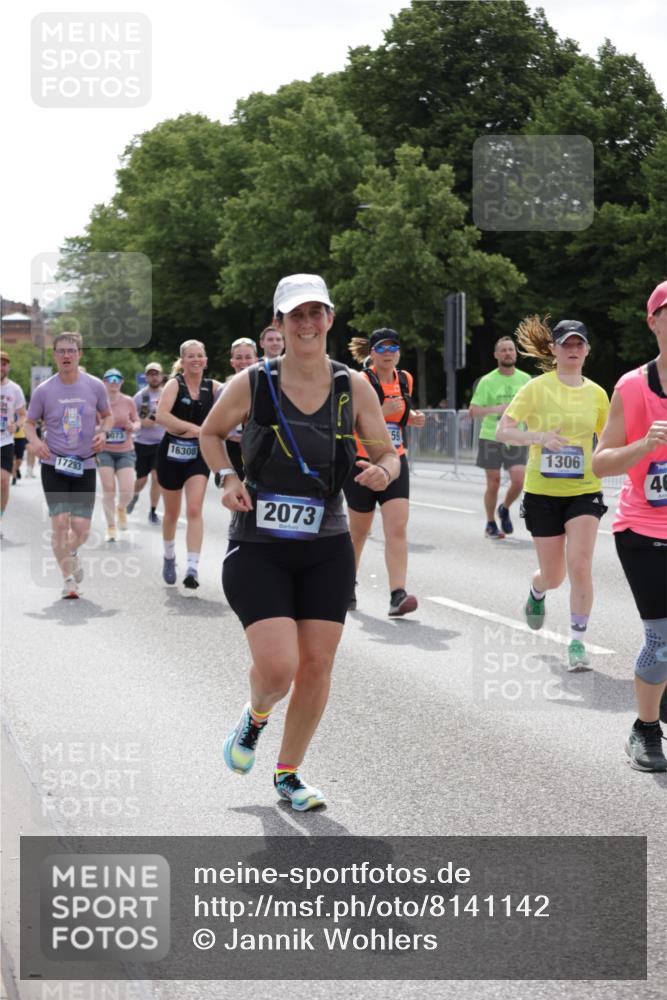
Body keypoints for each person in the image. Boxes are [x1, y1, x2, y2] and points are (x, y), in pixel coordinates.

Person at [200, 273, 398, 810]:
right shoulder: (254, 383)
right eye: (295, 315)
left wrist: (383, 469)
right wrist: (227, 478)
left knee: (317, 665)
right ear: (279, 324)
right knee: (279, 667)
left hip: (325, 546)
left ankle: (288, 775)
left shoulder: (352, 386)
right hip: (258, 546)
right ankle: (255, 715)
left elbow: (386, 451)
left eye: (316, 313)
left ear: (330, 319)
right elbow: (210, 434)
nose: (307, 323)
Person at [496, 317, 610, 670]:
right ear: (554, 350)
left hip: (584, 490)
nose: (573, 350)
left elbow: (609, 441)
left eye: (579, 344)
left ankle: (577, 643)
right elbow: (504, 431)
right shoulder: (535, 389)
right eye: (567, 344)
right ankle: (538, 590)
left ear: (587, 350)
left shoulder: (597, 394)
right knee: (554, 575)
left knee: (580, 565)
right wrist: (539, 438)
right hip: (543, 491)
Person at [592, 280, 667, 772]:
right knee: (661, 641)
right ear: (653, 321)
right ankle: (644, 729)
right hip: (643, 532)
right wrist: (642, 447)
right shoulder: (633, 386)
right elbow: (600, 463)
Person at [343, 328, 425, 615]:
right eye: (381, 348)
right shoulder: (361, 380)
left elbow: (398, 416)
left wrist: (410, 417)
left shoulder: (405, 379)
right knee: (359, 531)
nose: (388, 353)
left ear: (399, 352)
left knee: (397, 528)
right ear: (372, 353)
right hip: (362, 462)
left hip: (395, 461)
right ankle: (346, 586)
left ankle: (397, 594)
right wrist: (382, 408)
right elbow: (349, 419)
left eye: (393, 348)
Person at [24, 332, 112, 598]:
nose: (66, 356)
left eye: (71, 351)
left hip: (84, 464)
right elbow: (28, 423)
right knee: (60, 524)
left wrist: (104, 433)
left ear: (79, 354)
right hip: (54, 464)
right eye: (61, 351)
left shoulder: (95, 386)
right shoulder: (44, 390)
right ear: (54, 355)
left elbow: (107, 416)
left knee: (82, 530)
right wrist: (36, 442)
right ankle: (68, 580)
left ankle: (72, 552)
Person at [155, 340, 223, 589]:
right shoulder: (175, 384)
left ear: (206, 360)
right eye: (190, 356)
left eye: (200, 356)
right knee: (172, 513)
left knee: (194, 509)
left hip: (198, 456)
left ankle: (192, 568)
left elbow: (234, 405)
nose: (196, 360)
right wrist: (194, 429)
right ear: (182, 361)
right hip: (171, 454)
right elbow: (161, 416)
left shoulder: (214, 387)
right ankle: (169, 556)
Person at [469, 336, 532, 538]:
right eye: (503, 350)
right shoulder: (487, 381)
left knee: (519, 480)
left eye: (511, 350)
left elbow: (533, 409)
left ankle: (504, 508)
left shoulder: (525, 380)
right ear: (496, 355)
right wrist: (498, 408)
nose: (508, 353)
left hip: (516, 436)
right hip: (491, 436)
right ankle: (490, 523)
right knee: (494, 482)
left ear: (516, 353)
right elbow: (473, 410)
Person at [96, 369, 140, 543]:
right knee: (108, 489)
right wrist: (100, 430)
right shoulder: (98, 402)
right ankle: (111, 527)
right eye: (109, 379)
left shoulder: (128, 401)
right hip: (104, 450)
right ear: (104, 382)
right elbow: (89, 424)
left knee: (128, 490)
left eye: (117, 379)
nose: (113, 381)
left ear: (121, 382)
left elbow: (137, 421)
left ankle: (121, 508)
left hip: (125, 451)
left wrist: (134, 427)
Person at [127, 362, 165, 524]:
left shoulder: (167, 394)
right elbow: (133, 418)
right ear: (146, 377)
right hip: (142, 442)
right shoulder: (141, 396)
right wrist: (142, 421)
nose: (154, 377)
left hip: (162, 443)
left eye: (156, 374)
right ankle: (134, 496)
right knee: (141, 479)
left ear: (162, 376)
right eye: (150, 374)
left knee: (157, 478)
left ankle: (153, 511)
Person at [224, 338, 259, 480]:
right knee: (237, 498)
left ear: (256, 360)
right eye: (238, 357)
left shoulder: (265, 386)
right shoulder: (223, 388)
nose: (243, 362)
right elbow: (213, 426)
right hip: (233, 451)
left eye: (248, 357)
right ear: (232, 362)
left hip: (258, 450)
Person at [0, 351, 27, 537]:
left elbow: (23, 415)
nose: (1, 367)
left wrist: (15, 425)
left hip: (5, 441)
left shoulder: (14, 389)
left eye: (4, 364)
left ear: (8, 367)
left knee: (3, 482)